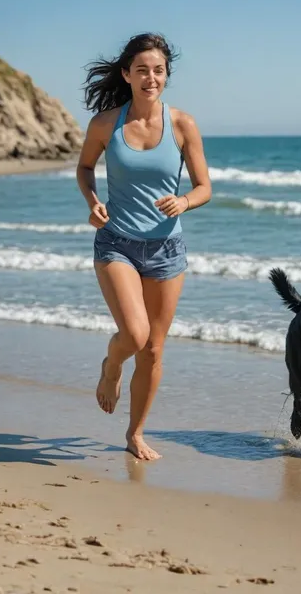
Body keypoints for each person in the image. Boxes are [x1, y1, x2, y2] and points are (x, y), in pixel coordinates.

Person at [76, 33, 212, 461]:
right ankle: (111, 365)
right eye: (142, 70)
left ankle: (134, 433)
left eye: (158, 70)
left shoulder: (182, 124)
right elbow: (84, 167)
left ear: (166, 75)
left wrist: (185, 201)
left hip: (166, 250)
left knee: (153, 348)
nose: (150, 78)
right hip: (116, 242)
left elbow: (204, 186)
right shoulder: (106, 123)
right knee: (133, 336)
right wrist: (93, 201)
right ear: (126, 75)